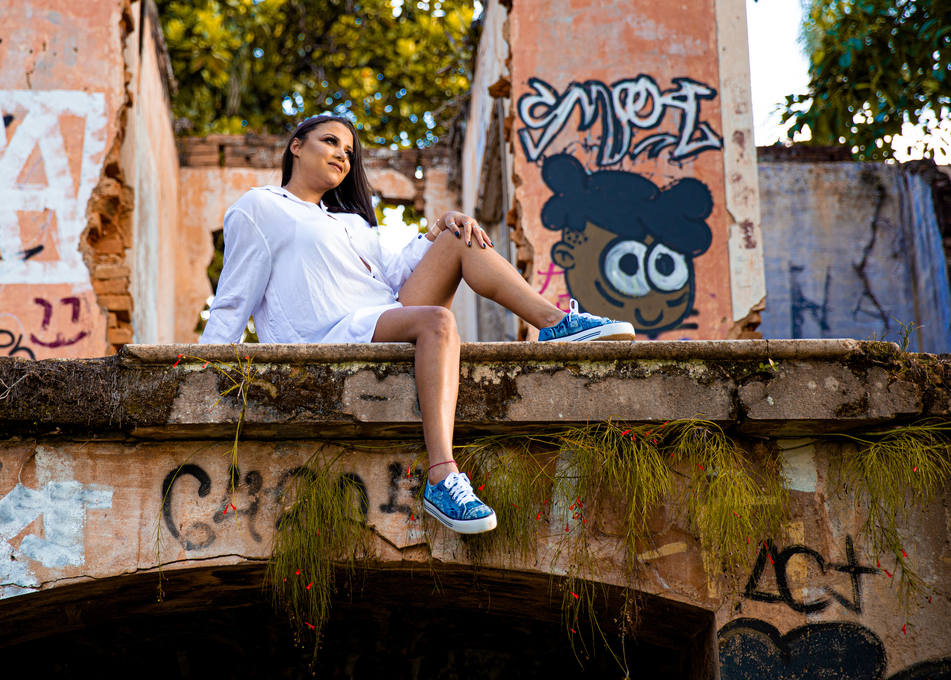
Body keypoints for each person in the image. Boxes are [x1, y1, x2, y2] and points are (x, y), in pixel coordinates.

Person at [200, 115, 635, 534]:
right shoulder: (260, 207)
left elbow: (398, 269)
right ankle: (443, 476)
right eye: (330, 142)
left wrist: (443, 224)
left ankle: (556, 322)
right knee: (439, 323)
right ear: (296, 145)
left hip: (378, 316)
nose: (342, 156)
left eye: (349, 151)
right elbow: (234, 298)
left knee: (458, 237)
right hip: (328, 333)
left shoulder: (349, 222)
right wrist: (206, 372)